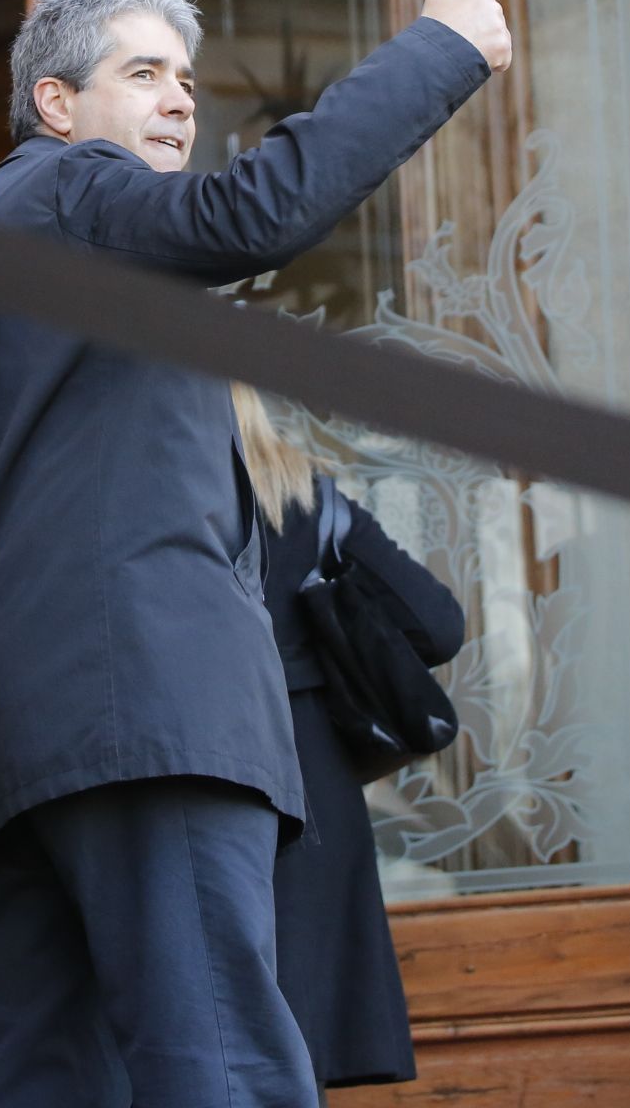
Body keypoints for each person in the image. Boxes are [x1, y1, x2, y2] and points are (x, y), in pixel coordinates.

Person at [0, 0, 511, 1108]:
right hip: (142, 718)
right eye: (145, 73)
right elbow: (255, 213)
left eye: (186, 78)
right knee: (222, 1067)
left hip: (25, 741)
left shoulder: (10, 241)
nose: (182, 99)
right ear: (57, 104)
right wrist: (438, 48)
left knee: (38, 1081)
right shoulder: (64, 189)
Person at [239, 385, 466, 1094]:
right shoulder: (301, 494)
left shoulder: (145, 495)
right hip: (312, 783)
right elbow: (437, 624)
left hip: (204, 769)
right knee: (298, 1043)